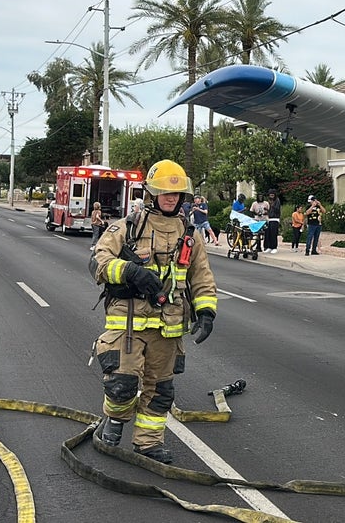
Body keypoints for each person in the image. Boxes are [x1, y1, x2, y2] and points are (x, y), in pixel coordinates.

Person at [89, 159, 218, 464]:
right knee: (122, 384)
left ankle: (148, 443)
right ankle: (115, 420)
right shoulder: (129, 227)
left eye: (176, 194)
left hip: (168, 327)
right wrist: (130, 271)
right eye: (165, 192)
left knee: (160, 391)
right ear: (151, 193)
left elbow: (202, 276)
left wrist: (206, 312)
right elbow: (98, 262)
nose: (171, 198)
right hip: (128, 323)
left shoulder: (189, 234)